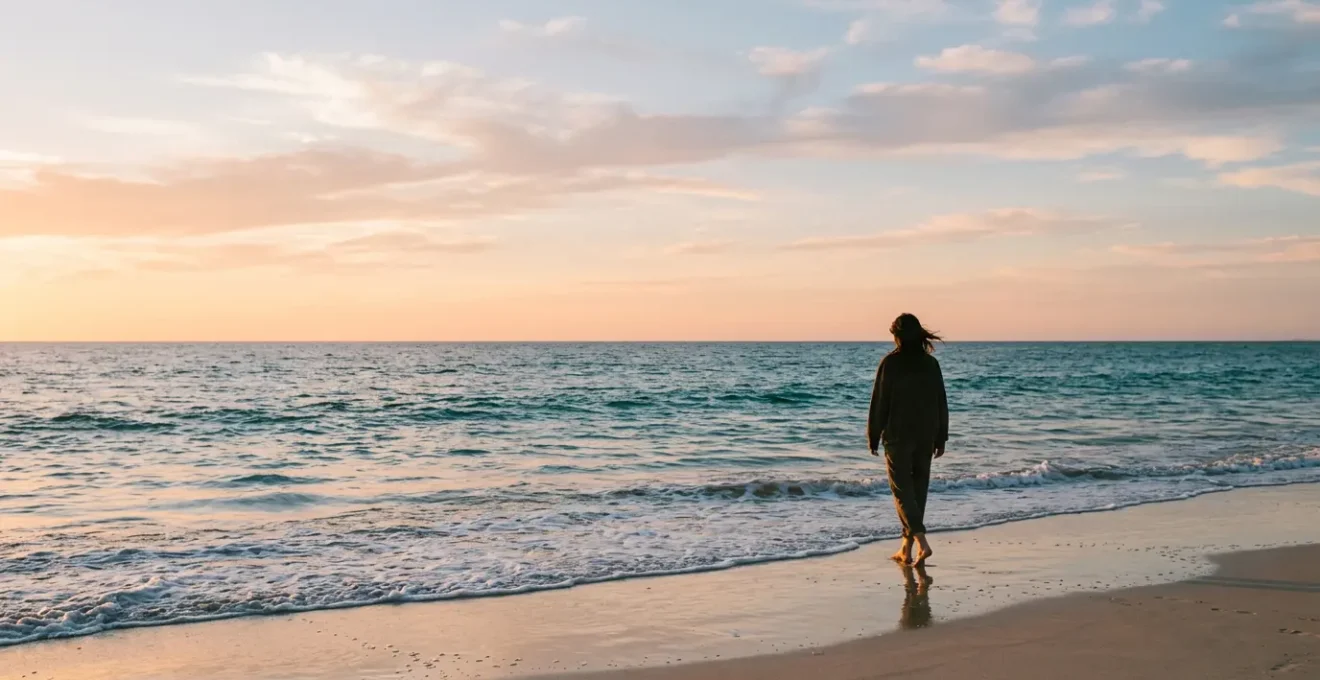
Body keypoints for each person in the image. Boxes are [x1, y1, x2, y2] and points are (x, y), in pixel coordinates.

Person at [867, 313, 948, 566]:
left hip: (898, 437)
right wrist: (941, 436)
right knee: (918, 492)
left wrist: (873, 434)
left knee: (902, 492)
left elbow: (879, 402)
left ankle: (922, 543)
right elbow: (941, 402)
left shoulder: (890, 364)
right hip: (926, 436)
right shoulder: (930, 364)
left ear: (897, 336)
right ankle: (906, 548)